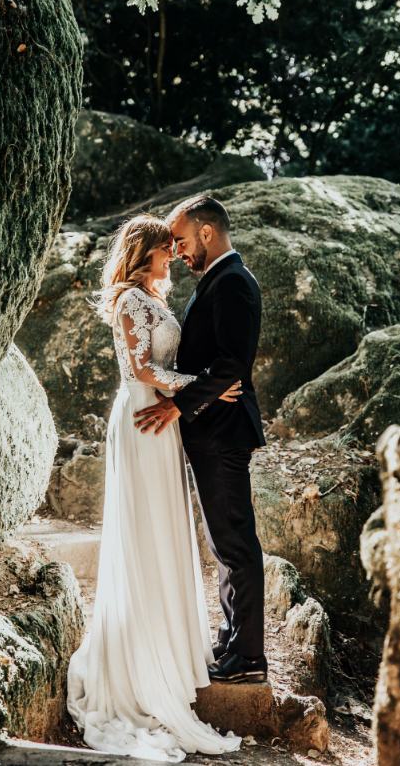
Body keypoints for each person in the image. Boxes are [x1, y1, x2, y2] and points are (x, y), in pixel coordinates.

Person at [67, 214, 242, 762]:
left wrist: (188, 395)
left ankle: (169, 645)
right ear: (146, 253)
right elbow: (143, 370)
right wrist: (205, 388)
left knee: (164, 526)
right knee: (145, 528)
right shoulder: (129, 300)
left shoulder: (153, 298)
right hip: (143, 417)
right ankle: (140, 661)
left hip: (163, 420)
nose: (175, 257)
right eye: (168, 249)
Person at [134, 195, 267, 684]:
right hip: (212, 429)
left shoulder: (233, 282)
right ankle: (233, 639)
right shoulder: (216, 279)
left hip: (224, 432)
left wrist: (177, 404)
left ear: (206, 232)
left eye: (182, 240)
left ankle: (249, 658)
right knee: (223, 543)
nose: (177, 251)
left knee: (235, 543)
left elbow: (232, 365)